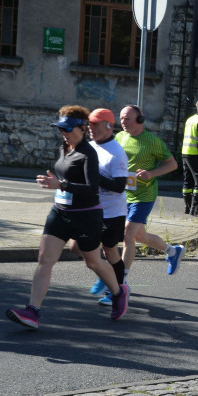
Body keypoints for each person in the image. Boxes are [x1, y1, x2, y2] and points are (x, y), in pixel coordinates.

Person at [7, 106, 129, 329]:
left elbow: (92, 189)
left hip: (86, 215)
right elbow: (66, 174)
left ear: (82, 129)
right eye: (61, 128)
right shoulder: (65, 146)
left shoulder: (88, 153)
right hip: (60, 212)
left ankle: (118, 292)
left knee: (93, 261)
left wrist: (61, 184)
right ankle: (32, 312)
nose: (64, 133)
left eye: (68, 129)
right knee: (45, 260)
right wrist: (57, 180)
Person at [117, 105, 184, 278]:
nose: (123, 122)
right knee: (139, 235)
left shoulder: (152, 142)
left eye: (128, 118)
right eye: (122, 118)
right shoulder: (120, 137)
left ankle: (120, 281)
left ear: (140, 120)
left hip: (144, 195)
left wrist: (151, 173)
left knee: (128, 234)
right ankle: (172, 251)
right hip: (124, 193)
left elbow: (172, 164)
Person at [84, 108, 130, 307]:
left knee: (110, 252)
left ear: (109, 126)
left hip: (112, 212)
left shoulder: (117, 153)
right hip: (93, 210)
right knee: (77, 246)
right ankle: (106, 274)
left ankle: (118, 289)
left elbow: (119, 187)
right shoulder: (90, 146)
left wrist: (95, 178)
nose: (90, 128)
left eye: (95, 124)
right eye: (89, 124)